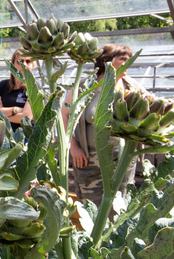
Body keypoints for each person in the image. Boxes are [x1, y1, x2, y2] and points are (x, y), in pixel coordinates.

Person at [61, 43, 148, 207]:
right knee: (90, 208)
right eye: (123, 59)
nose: (128, 63)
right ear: (106, 61)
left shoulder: (133, 88)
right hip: (89, 159)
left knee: (119, 206)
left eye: (129, 59)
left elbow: (150, 109)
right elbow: (64, 115)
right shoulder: (84, 88)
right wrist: (73, 147)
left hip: (122, 159)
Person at [0, 50, 35, 131]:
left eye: (28, 61)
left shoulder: (33, 87)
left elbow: (26, 118)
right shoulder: (3, 85)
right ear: (12, 65)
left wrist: (1, 114)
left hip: (26, 137)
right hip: (4, 135)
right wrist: (15, 109)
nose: (24, 64)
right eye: (20, 61)